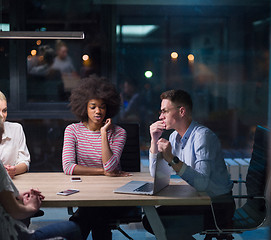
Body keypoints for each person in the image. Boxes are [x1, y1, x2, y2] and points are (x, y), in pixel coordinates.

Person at [143, 89, 235, 239]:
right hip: (198, 200)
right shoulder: (174, 137)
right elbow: (156, 175)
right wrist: (154, 140)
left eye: (165, 111)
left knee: (160, 224)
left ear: (181, 111)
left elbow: (203, 184)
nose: (160, 117)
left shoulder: (202, 137)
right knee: (150, 220)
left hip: (217, 206)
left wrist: (172, 159)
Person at [62, 77, 134, 239]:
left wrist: (103, 133)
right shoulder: (72, 130)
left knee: (90, 213)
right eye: (93, 107)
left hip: (114, 195)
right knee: (96, 215)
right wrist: (103, 172)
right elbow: (68, 167)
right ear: (84, 108)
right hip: (86, 194)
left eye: (102, 107)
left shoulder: (119, 132)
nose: (98, 111)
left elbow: (110, 167)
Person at [0, 116, 82, 240]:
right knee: (74, 228)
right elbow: (15, 211)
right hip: (12, 235)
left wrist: (17, 194)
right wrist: (32, 207)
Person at [0, 91, 30, 178]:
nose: (2, 115)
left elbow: (25, 162)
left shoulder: (16, 129)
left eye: (4, 111)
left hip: (11, 184)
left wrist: (14, 170)